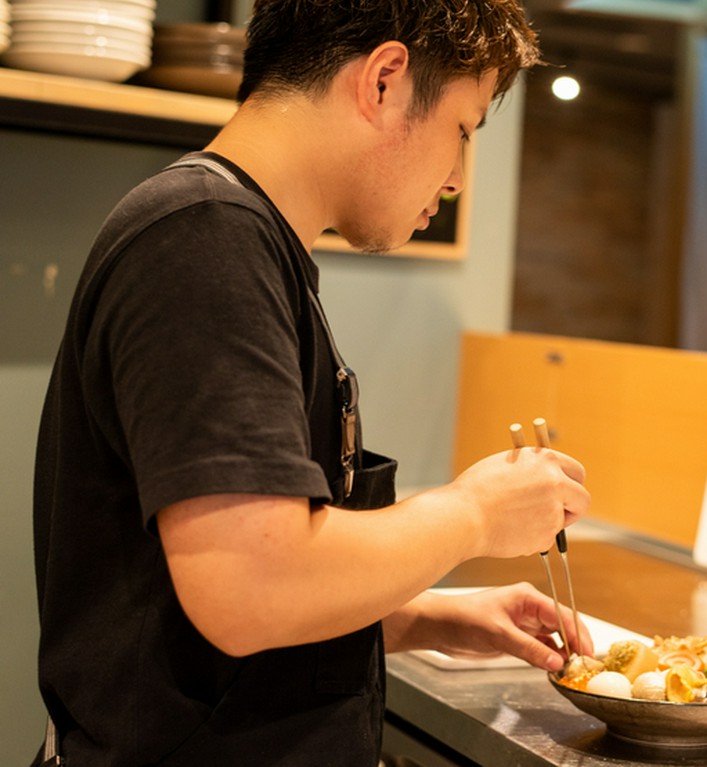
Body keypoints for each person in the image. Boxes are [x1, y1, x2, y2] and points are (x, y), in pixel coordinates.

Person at [31, 1, 592, 764]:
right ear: (385, 80)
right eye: (463, 130)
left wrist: (427, 617)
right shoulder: (204, 241)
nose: (460, 178)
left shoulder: (244, 243)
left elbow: (220, 588)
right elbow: (249, 584)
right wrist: (475, 513)